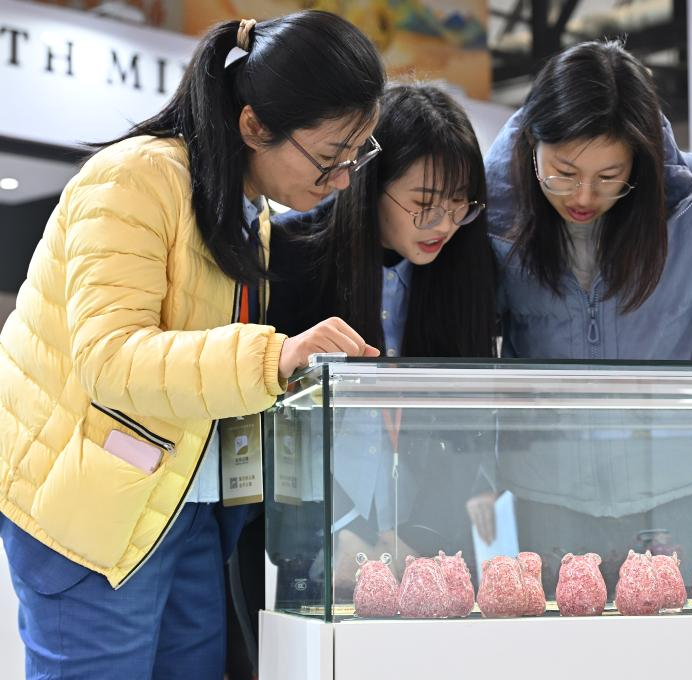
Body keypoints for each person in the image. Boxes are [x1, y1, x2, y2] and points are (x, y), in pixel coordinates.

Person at [0, 12, 385, 678]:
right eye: (331, 157)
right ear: (254, 126)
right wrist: (273, 357)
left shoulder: (247, 213)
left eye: (358, 155)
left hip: (186, 506)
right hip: (94, 511)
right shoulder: (134, 179)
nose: (344, 179)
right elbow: (110, 359)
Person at [483, 40, 692, 587]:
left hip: (685, 487)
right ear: (531, 143)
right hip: (547, 490)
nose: (583, 195)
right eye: (563, 172)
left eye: (610, 176)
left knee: (687, 633)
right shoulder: (494, 211)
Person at [267, 83, 498, 598]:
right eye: (423, 204)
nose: (444, 224)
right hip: (312, 530)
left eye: (459, 204)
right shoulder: (293, 253)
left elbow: (465, 422)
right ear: (371, 181)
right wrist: (343, 523)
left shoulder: (464, 269)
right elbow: (279, 415)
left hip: (421, 534)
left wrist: (418, 533)